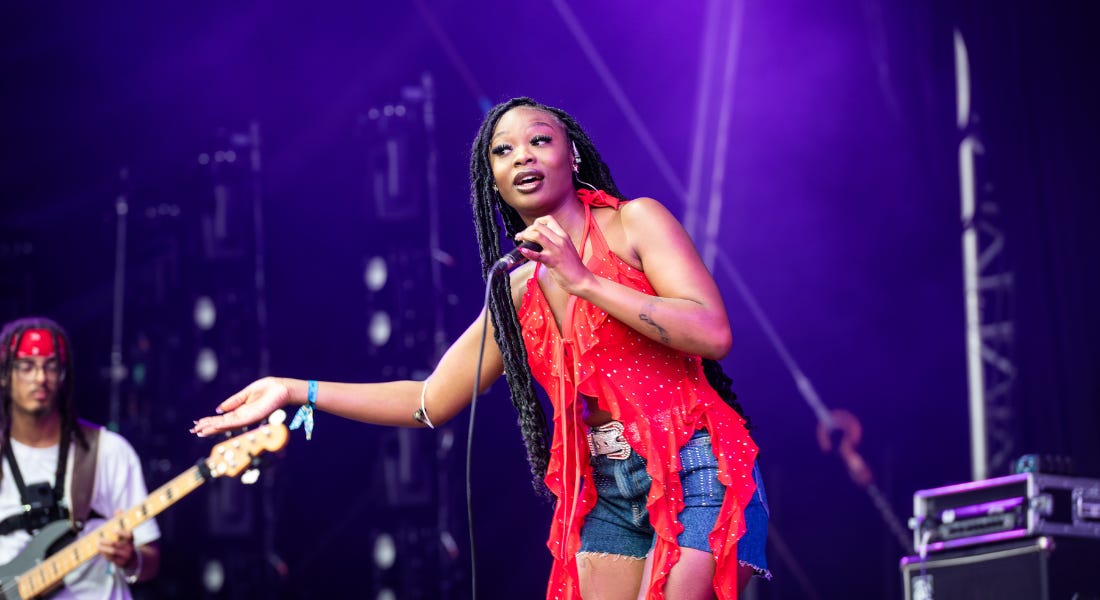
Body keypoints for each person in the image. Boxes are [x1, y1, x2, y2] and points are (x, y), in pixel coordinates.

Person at [192, 97, 769, 599]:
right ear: (490, 179)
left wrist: (586, 281)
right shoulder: (515, 289)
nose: (523, 156)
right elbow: (427, 401)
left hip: (694, 464)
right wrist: (295, 389)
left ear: (572, 157)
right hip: (607, 490)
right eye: (504, 151)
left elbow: (712, 332)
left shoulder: (634, 223)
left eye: (540, 141)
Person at [0, 317, 160, 599]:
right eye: (27, 366)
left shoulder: (109, 451)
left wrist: (131, 559)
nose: (40, 378)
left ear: (64, 374)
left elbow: (151, 562)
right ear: (4, 374)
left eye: (51, 366)